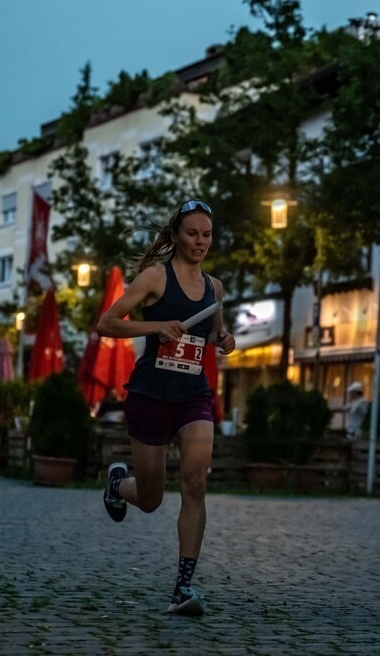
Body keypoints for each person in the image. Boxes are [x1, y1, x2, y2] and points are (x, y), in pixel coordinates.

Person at [95, 199, 235, 617]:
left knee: (195, 483)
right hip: (152, 394)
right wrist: (156, 326)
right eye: (192, 233)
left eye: (206, 234)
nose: (200, 241)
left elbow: (213, 332)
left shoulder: (215, 288)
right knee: (152, 498)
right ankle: (119, 485)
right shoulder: (155, 277)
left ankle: (183, 585)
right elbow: (106, 323)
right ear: (175, 235)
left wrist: (224, 339)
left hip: (194, 394)